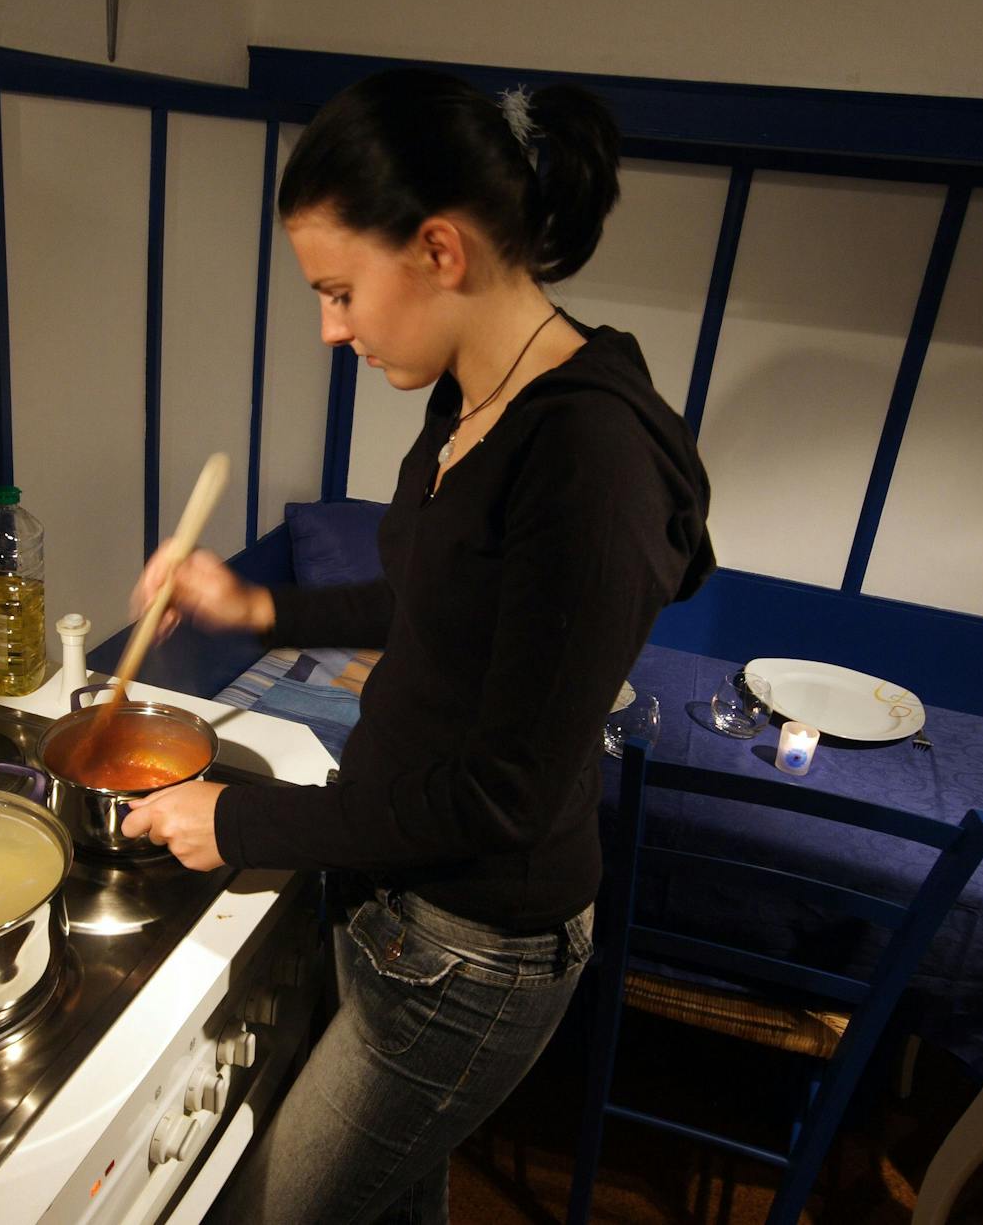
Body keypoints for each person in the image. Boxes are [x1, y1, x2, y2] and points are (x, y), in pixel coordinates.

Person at [119, 67, 715, 1223]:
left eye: (339, 290)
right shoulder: (469, 395)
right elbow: (437, 601)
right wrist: (258, 610)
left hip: (473, 949)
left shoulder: (587, 462)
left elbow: (500, 793)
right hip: (400, 899)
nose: (330, 328)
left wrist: (238, 821)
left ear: (439, 250)